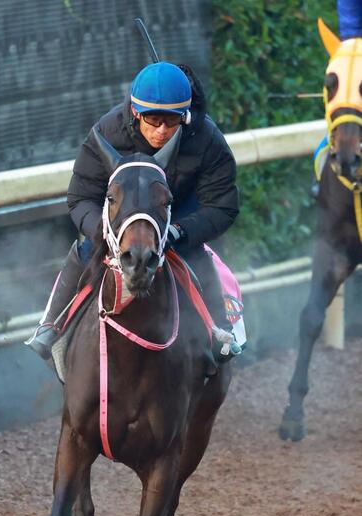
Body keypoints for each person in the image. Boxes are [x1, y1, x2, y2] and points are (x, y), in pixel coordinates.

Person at [26, 61, 241, 363]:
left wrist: (181, 232)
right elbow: (80, 196)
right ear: (137, 112)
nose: (162, 131)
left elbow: (222, 205)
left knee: (199, 257)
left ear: (186, 115)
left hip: (178, 221)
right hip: (120, 226)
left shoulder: (206, 138)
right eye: (153, 120)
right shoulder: (108, 131)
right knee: (85, 250)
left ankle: (222, 333)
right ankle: (49, 325)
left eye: (172, 121)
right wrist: (104, 231)